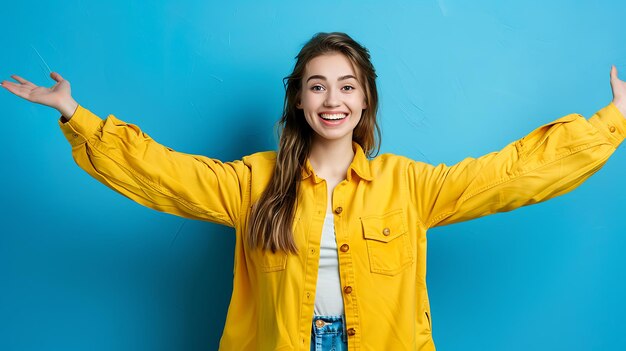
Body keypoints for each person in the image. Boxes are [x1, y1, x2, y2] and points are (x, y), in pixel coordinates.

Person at [2, 32, 625, 351]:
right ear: (299, 99)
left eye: (347, 86)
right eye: (318, 85)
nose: (333, 100)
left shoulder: (410, 185)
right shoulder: (252, 182)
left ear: (366, 99)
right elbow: (163, 174)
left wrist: (611, 122)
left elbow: (510, 174)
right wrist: (76, 115)